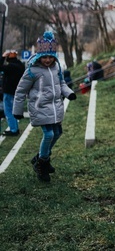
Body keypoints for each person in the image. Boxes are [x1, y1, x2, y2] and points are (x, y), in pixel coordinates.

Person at [13, 32, 76, 182]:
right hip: (40, 107)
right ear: (39, 56)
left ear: (54, 56)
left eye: (50, 57)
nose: (48, 60)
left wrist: (69, 93)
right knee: (48, 135)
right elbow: (20, 91)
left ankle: (42, 157)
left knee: (58, 133)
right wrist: (17, 110)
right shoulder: (32, 70)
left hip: (55, 107)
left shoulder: (56, 68)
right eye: (45, 57)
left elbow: (61, 84)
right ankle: (41, 164)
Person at [1, 50, 25, 136]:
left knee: (8, 111)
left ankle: (14, 129)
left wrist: (3, 57)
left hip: (9, 91)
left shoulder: (11, 66)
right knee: (13, 110)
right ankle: (15, 128)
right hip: (17, 91)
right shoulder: (21, 65)